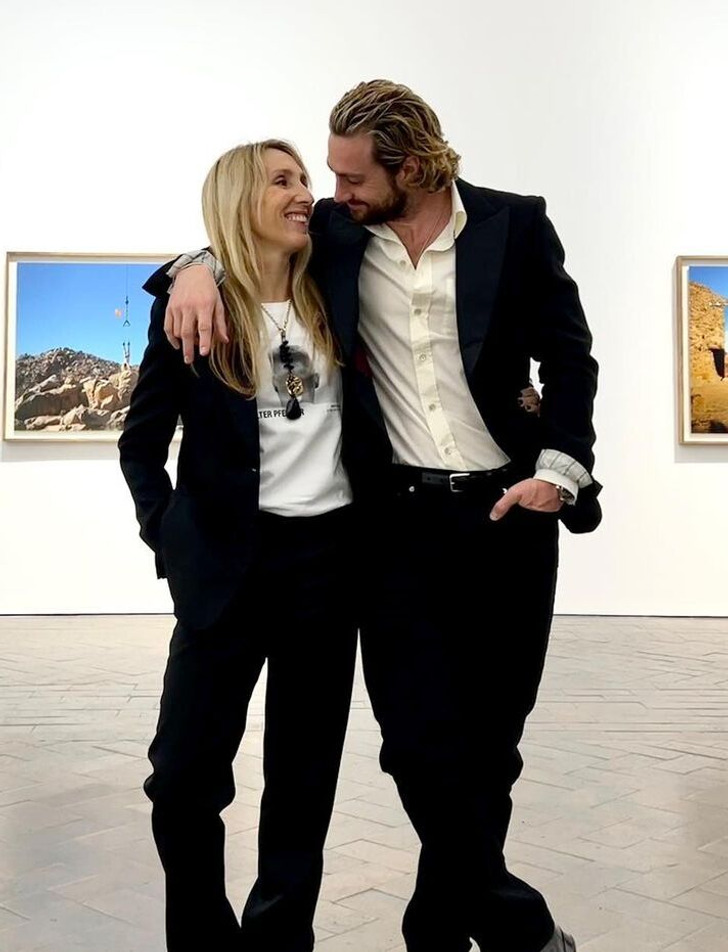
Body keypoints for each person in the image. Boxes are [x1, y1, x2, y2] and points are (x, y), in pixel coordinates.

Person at [150, 80, 601, 952]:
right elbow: (238, 232)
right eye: (327, 177)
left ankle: (438, 925)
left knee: (491, 753)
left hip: (513, 515)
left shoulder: (515, 225)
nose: (334, 193)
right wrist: (191, 268)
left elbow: (570, 358)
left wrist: (561, 467)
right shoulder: (340, 232)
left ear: (413, 167)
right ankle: (518, 926)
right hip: (397, 529)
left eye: (352, 178)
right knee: (417, 749)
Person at [118, 140, 357, 952]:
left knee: (302, 781)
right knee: (182, 778)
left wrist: (190, 259)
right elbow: (141, 443)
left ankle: (280, 942)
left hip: (326, 567)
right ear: (238, 201)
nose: (305, 193)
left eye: (306, 178)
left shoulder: (335, 282)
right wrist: (170, 537)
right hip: (226, 568)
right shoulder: (199, 308)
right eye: (282, 181)